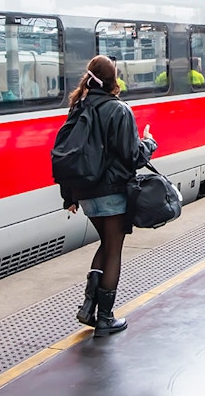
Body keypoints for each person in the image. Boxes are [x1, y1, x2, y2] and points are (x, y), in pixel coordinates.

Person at [59, 55, 157, 337]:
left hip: (86, 195)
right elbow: (133, 156)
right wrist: (149, 143)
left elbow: (69, 156)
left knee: (105, 244)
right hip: (112, 193)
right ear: (114, 80)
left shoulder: (77, 109)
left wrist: (70, 196)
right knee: (113, 250)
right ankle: (104, 318)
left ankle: (89, 308)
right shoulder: (119, 110)